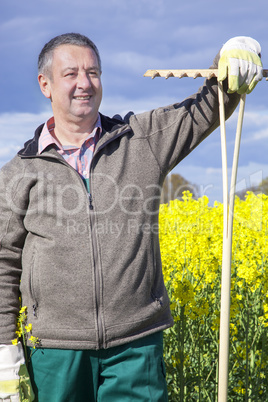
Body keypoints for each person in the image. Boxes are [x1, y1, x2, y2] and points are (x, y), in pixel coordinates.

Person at [0, 33, 263, 401]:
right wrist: (3, 354)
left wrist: (234, 52)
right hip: (54, 350)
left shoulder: (140, 139)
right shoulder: (18, 173)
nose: (84, 83)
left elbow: (208, 107)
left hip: (135, 347)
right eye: (71, 73)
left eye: (93, 72)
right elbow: (4, 265)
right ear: (45, 84)